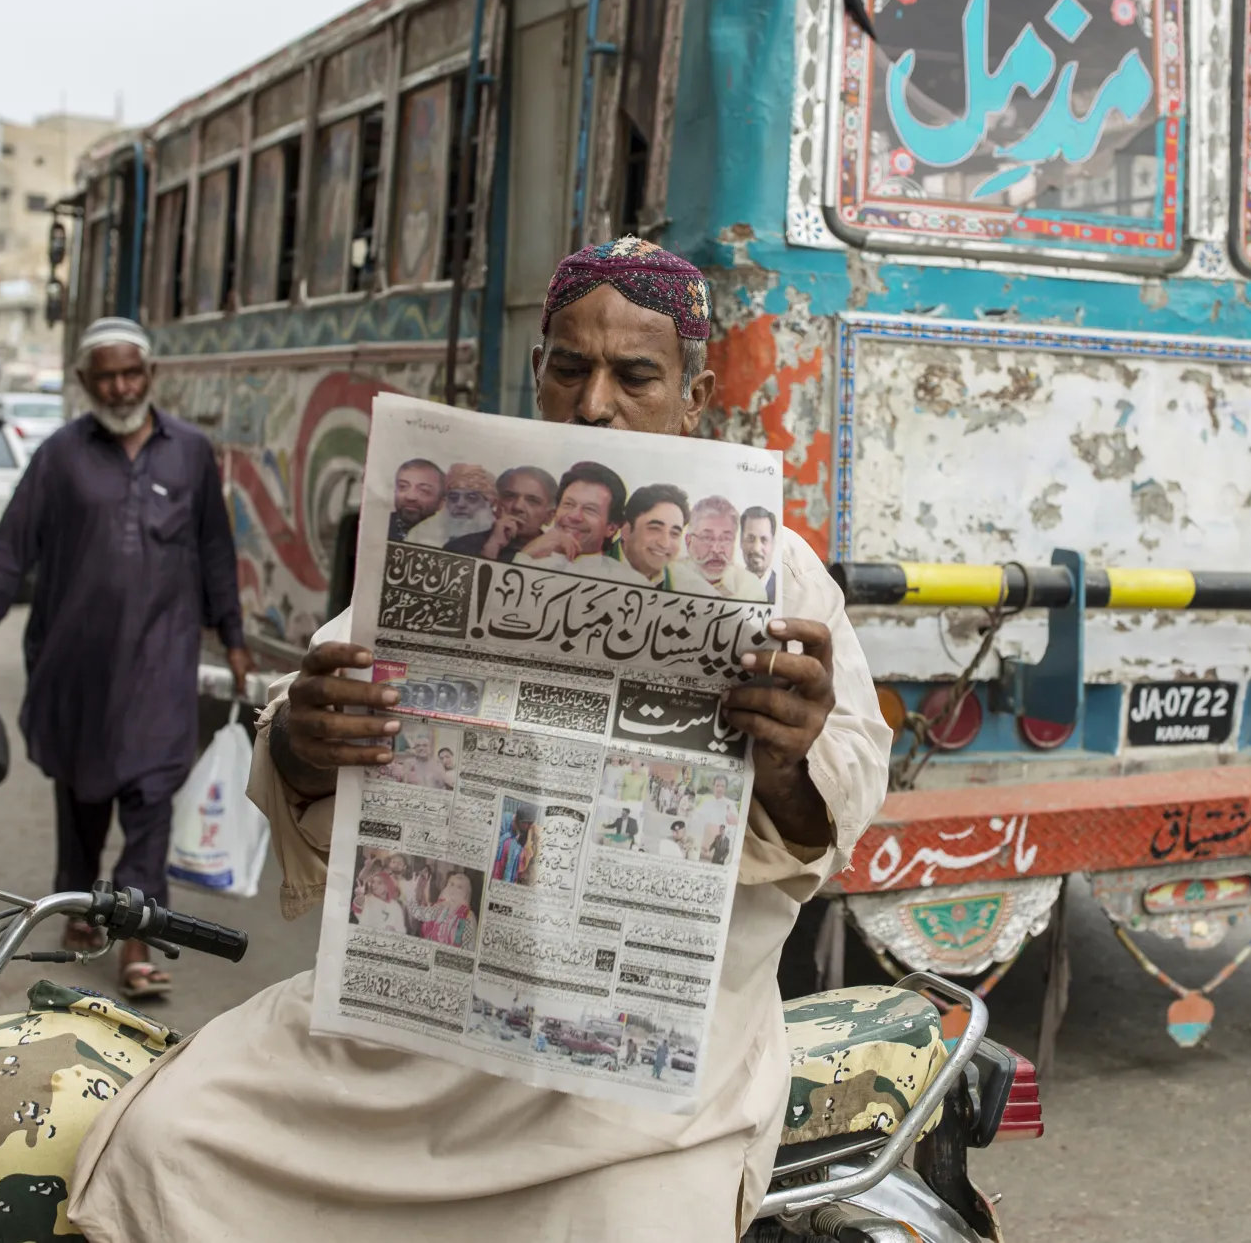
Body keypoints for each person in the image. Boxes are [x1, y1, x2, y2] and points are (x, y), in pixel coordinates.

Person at [71, 236, 892, 1243]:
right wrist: (305, 743)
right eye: (567, 367)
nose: (593, 403)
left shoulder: (781, 578)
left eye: (634, 376)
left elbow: (833, 807)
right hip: (412, 1043)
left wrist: (783, 756)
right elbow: (305, 717)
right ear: (536, 370)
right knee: (164, 1142)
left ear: (695, 392)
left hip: (637, 1076)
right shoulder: (456, 540)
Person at [0, 316, 250, 1002]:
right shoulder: (60, 456)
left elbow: (213, 552)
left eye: (131, 373)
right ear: (85, 382)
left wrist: (232, 636)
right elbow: (9, 547)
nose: (120, 387)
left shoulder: (191, 453)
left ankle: (137, 943)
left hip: (161, 664)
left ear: (151, 375)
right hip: (76, 666)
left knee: (150, 798)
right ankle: (84, 906)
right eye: (106, 376)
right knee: (83, 797)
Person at [514, 461, 631, 580]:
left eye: (590, 509)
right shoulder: (526, 560)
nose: (574, 516)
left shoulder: (628, 583)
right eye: (568, 504)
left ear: (611, 528)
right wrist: (526, 556)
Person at [447, 465, 559, 561]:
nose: (517, 506)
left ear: (549, 517)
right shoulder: (459, 548)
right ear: (497, 503)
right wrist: (492, 548)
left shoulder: (557, 557)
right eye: (510, 496)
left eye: (532, 501)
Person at [685, 495, 769, 600]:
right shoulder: (670, 577)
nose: (716, 549)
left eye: (725, 539)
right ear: (688, 541)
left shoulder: (750, 588)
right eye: (707, 537)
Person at [408, 463, 498, 547]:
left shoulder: (500, 536)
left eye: (471, 498)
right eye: (453, 497)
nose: (460, 504)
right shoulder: (420, 533)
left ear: (489, 503)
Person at [620, 483, 690, 585]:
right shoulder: (593, 567)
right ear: (626, 531)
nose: (664, 544)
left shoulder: (686, 584)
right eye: (655, 529)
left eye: (674, 533)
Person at [388, 458, 445, 541]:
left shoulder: (450, 540)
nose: (410, 497)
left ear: (441, 502)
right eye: (403, 486)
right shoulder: (374, 524)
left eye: (423, 491)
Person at [741, 506, 779, 603]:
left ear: (773, 544)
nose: (757, 549)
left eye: (764, 540)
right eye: (750, 539)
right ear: (741, 541)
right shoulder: (728, 588)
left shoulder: (783, 588)